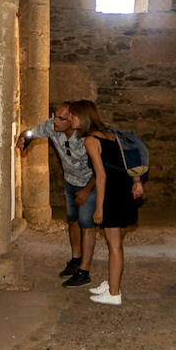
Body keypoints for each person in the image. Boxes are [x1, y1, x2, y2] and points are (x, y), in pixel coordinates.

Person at [67, 99, 143, 306]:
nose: (69, 118)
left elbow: (100, 176)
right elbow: (129, 158)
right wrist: (137, 182)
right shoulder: (110, 134)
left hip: (112, 195)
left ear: (82, 117)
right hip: (123, 190)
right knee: (115, 242)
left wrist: (99, 208)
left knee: (114, 244)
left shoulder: (90, 140)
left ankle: (114, 293)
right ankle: (111, 283)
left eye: (72, 115)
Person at [16, 102, 98, 287]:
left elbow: (101, 170)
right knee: (73, 221)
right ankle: (76, 259)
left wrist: (86, 191)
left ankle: (84, 271)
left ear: (73, 121)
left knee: (87, 225)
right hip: (71, 180)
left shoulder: (89, 137)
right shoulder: (51, 126)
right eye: (55, 115)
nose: (55, 121)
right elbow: (30, 132)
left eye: (61, 118)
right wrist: (24, 139)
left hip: (90, 183)